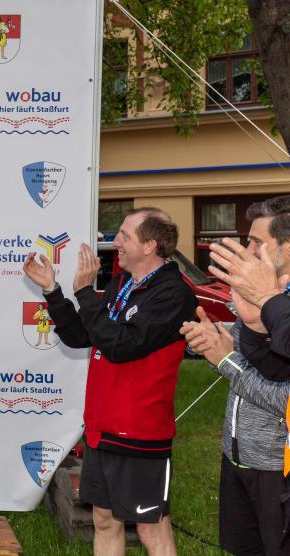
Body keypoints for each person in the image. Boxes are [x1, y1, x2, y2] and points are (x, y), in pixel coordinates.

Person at [23, 207, 195, 556]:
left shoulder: (173, 293)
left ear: (149, 245)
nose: (115, 242)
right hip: (102, 426)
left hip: (141, 431)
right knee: (103, 518)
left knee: (151, 528)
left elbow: (121, 346)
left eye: (124, 236)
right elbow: (80, 336)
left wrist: (85, 292)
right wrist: (53, 291)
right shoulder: (122, 284)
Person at [181, 195, 290, 555]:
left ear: (287, 247)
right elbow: (251, 361)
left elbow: (283, 398)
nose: (248, 251)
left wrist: (224, 359)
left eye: (257, 242)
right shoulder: (253, 295)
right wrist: (217, 339)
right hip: (236, 456)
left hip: (277, 468)